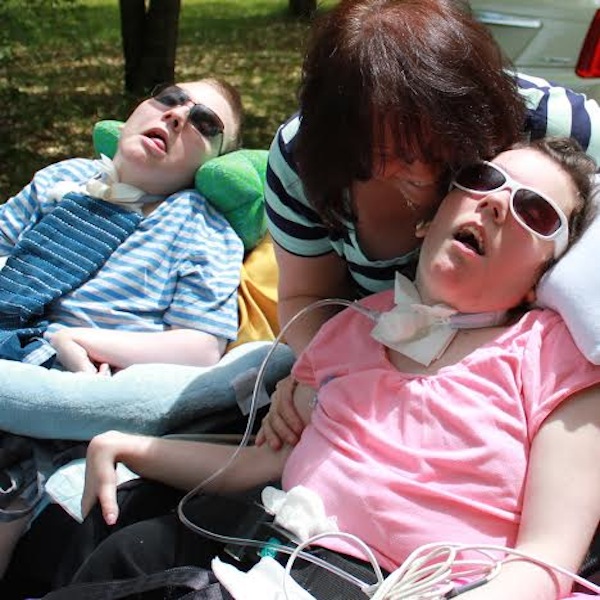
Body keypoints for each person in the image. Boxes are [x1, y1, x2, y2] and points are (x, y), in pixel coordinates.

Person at [49, 138, 600, 600]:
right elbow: (265, 460)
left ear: (541, 279)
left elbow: (546, 558)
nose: (497, 204)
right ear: (429, 219)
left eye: (535, 211)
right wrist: (123, 445)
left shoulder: (554, 357)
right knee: (118, 549)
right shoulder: (350, 327)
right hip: (265, 546)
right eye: (483, 179)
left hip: (398, 585)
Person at [257, 0, 600, 450]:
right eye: (386, 154)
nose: (420, 173)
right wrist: (330, 372)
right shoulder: (304, 160)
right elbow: (307, 298)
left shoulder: (553, 121)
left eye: (445, 150)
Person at [0, 77, 249, 578]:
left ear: (213, 165)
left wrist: (73, 339)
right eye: (169, 99)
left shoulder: (201, 226)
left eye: (205, 123)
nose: (177, 116)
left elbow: (202, 348)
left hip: (75, 378)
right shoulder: (63, 178)